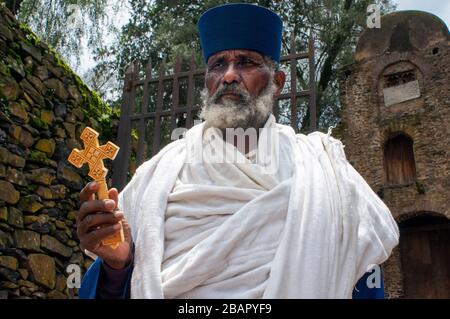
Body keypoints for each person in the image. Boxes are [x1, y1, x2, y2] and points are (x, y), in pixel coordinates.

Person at [77, 3, 399, 299]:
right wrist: (117, 267)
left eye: (245, 62)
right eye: (218, 65)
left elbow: (360, 274)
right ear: (207, 82)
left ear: (277, 82)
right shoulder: (158, 175)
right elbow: (112, 284)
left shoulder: (325, 173)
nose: (229, 75)